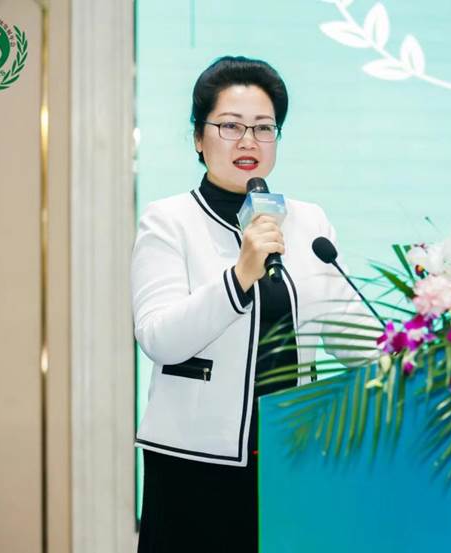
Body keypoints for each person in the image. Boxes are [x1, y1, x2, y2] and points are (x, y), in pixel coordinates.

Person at [131, 55, 377, 552]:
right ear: (198, 138)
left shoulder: (308, 221)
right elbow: (160, 338)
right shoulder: (169, 221)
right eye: (230, 126)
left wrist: (426, 354)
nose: (248, 141)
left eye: (264, 128)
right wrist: (241, 274)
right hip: (196, 467)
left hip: (291, 458)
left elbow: (350, 334)